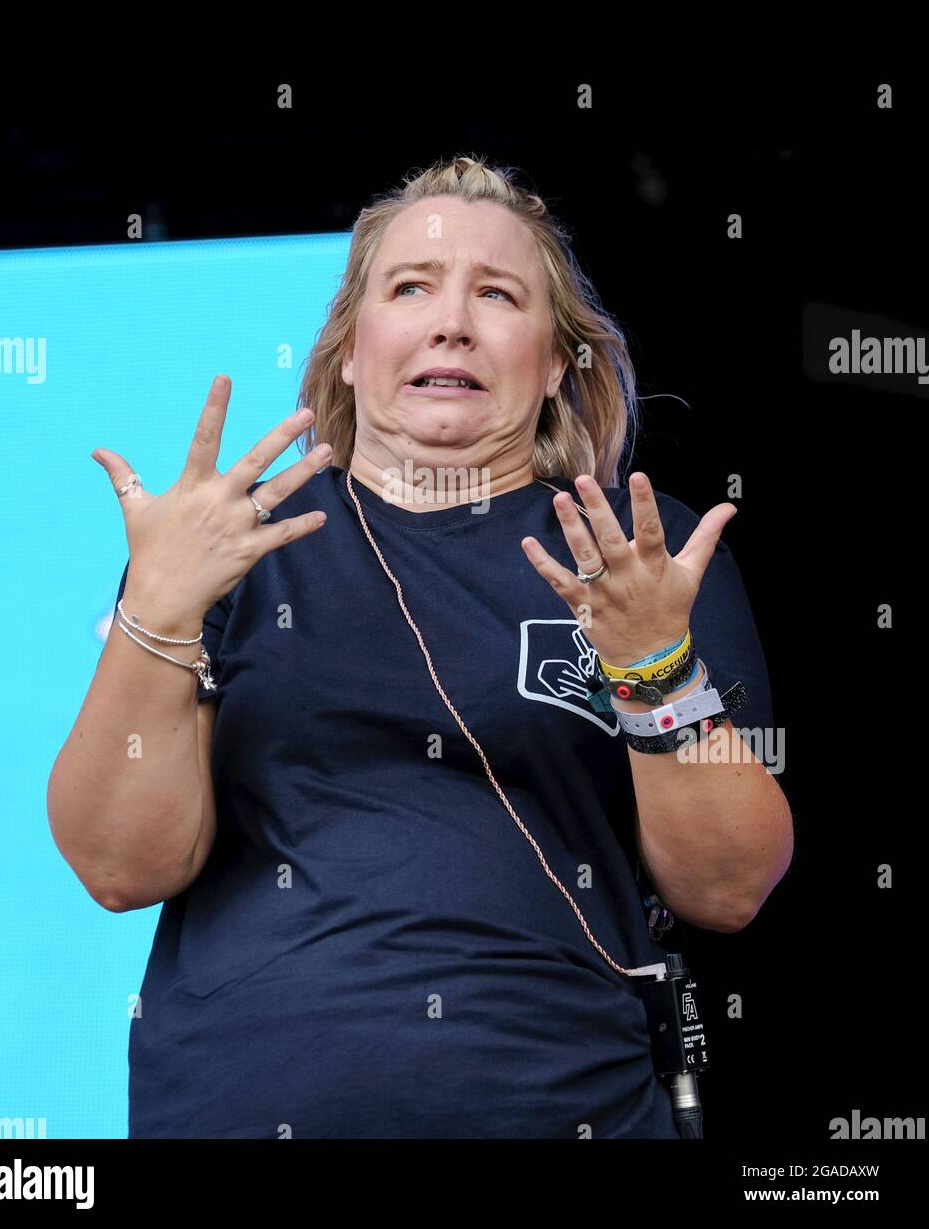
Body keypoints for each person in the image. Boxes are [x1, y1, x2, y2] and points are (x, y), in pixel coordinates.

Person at [47, 154, 793, 1139]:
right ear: (352, 347)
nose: (451, 322)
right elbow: (116, 865)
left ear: (556, 360)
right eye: (410, 288)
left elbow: (729, 886)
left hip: (565, 1105)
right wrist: (158, 606)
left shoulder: (634, 551)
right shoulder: (229, 543)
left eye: (495, 292)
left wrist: (654, 662)